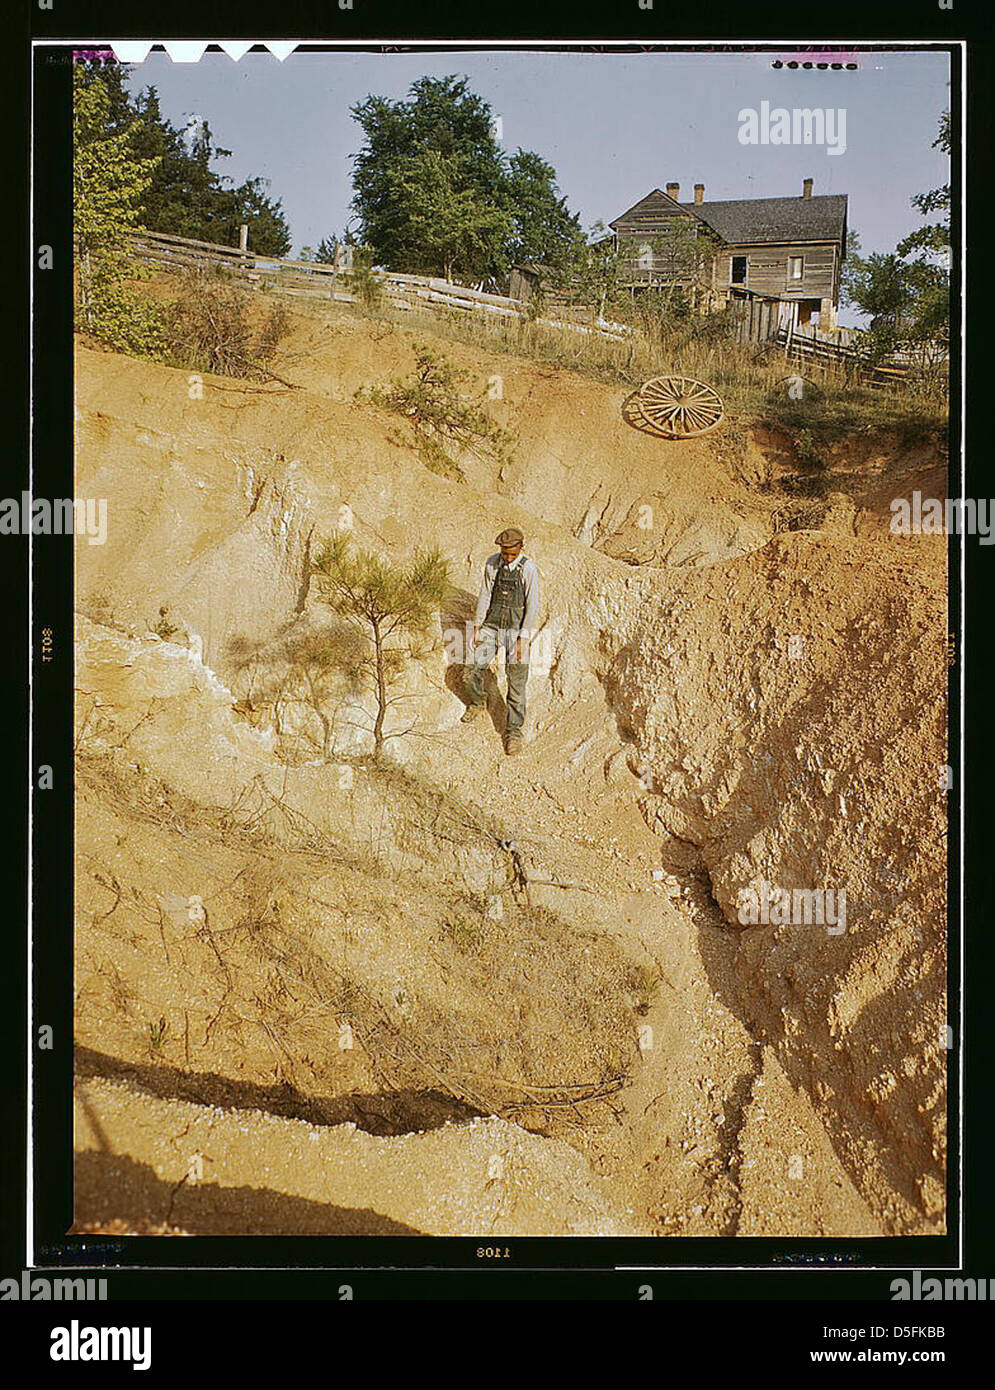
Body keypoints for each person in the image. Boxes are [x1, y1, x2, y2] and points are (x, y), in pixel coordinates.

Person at [461, 527, 540, 755]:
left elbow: (532, 605)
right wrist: (477, 626)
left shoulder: (529, 569)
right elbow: (485, 594)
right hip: (492, 627)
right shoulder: (492, 563)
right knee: (469, 670)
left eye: (512, 554)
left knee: (516, 686)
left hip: (516, 631)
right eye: (504, 553)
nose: (507, 558)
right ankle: (477, 702)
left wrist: (522, 639)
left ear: (520, 548)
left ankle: (514, 732)